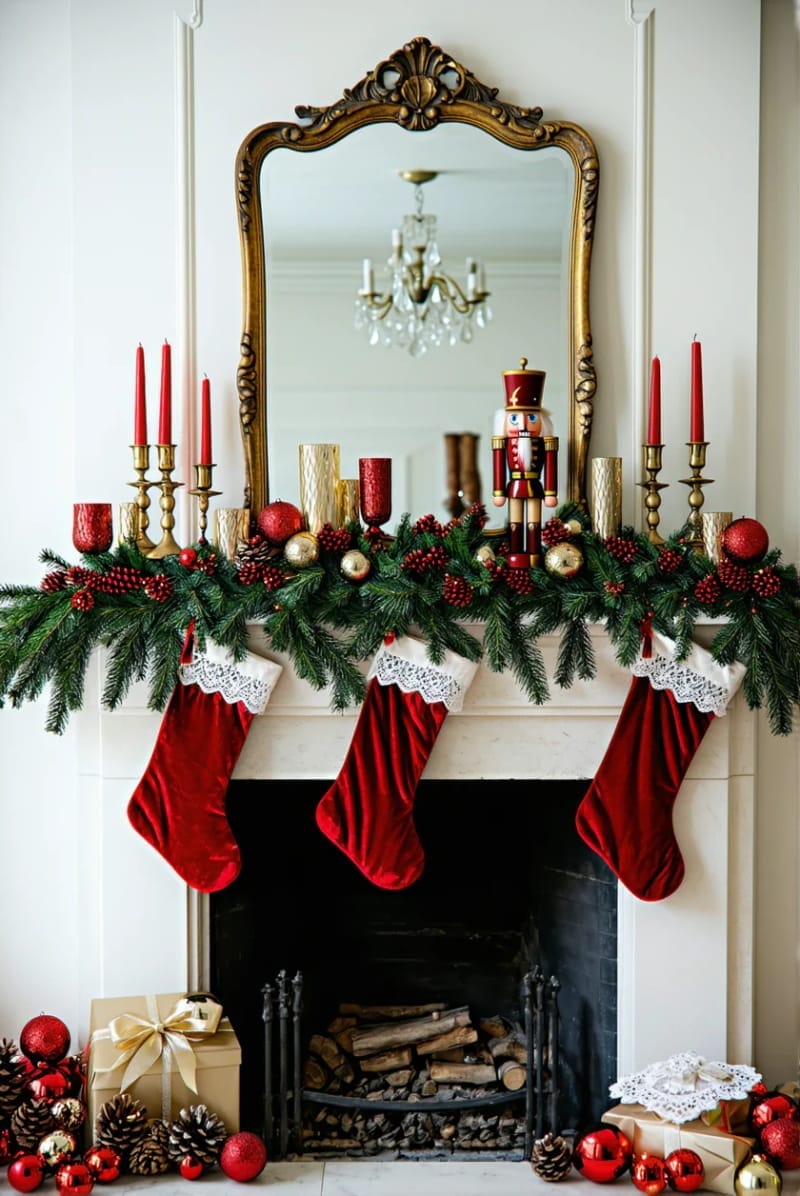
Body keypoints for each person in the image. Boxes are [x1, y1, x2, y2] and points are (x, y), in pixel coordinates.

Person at [492, 357, 558, 567]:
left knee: (533, 522)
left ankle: (533, 550)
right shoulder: (503, 443)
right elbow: (499, 467)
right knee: (515, 522)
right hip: (515, 485)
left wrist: (550, 492)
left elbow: (551, 466)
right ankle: (515, 550)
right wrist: (499, 492)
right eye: (514, 419)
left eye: (531, 418)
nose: (522, 424)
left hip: (534, 484)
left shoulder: (545, 442)